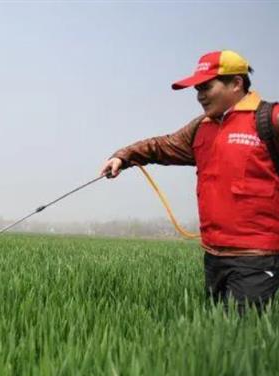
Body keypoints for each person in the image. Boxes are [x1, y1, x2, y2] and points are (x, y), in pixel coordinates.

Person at [100, 50, 279, 314]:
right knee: (218, 335)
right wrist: (123, 157)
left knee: (244, 338)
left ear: (236, 83)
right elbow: (161, 146)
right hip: (213, 256)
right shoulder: (201, 127)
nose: (200, 96)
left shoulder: (268, 120)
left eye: (206, 87)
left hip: (257, 256)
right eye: (197, 89)